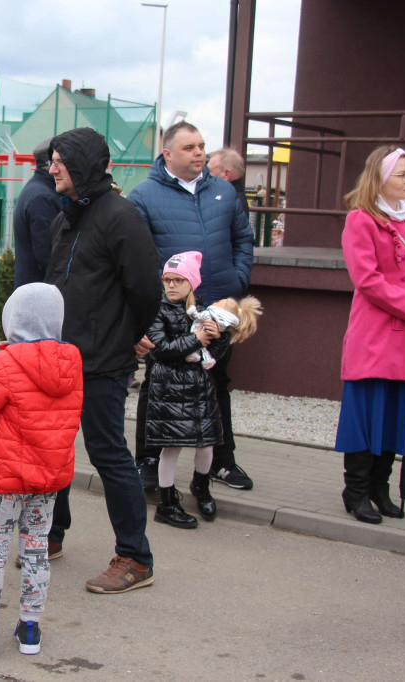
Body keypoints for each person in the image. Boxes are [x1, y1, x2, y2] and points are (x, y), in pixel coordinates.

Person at [42, 127, 162, 594]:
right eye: (51, 160)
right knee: (53, 448)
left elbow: (146, 289)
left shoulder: (120, 216)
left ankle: (135, 557)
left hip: (104, 363)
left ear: (85, 165)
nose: (51, 168)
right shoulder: (67, 217)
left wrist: (128, 337)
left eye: (59, 161)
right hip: (62, 357)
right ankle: (50, 534)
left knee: (109, 455)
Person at [0, 283, 83, 660]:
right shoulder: (73, 362)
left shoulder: (6, 363)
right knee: (36, 550)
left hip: (3, 479)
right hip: (50, 478)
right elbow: (70, 420)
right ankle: (30, 628)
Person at [128, 121, 254, 492]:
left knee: (217, 381)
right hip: (167, 314)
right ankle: (149, 460)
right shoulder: (144, 196)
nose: (199, 152)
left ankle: (221, 462)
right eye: (189, 147)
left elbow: (242, 238)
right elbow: (135, 260)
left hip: (217, 307)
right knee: (159, 385)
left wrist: (237, 278)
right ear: (167, 154)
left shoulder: (224, 192)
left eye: (201, 146)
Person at [334, 146, 405, 524]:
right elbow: (367, 280)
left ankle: (380, 488)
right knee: (367, 414)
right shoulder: (361, 220)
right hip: (378, 334)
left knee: (395, 415)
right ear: (380, 178)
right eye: (403, 174)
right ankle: (356, 491)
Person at [144, 252, 229, 529]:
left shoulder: (204, 311)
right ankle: (166, 503)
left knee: (206, 444)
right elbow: (162, 350)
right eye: (167, 280)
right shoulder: (157, 310)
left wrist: (218, 337)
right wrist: (197, 338)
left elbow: (213, 353)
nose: (171, 285)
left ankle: (201, 486)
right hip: (169, 389)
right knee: (171, 445)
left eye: (178, 280)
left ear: (191, 283)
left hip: (198, 388)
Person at [13, 140, 62, 287]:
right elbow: (46, 255)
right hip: (38, 291)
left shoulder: (37, 189)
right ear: (50, 163)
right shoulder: (43, 197)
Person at [207, 147, 250, 217]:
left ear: (226, 174)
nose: (205, 175)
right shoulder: (235, 198)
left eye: (209, 171)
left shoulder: (226, 202)